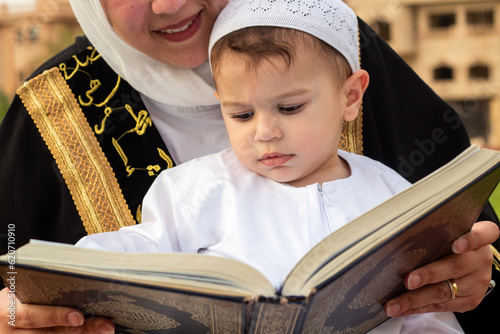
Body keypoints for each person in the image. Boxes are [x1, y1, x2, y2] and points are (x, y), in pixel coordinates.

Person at [0, 0, 496, 333]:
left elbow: (458, 253)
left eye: (291, 107)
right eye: (238, 113)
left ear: (350, 94)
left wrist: (467, 273)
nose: (264, 132)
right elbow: (51, 267)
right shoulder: (59, 111)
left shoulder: (326, 37)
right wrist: (17, 303)